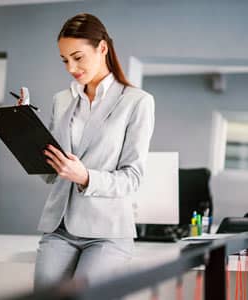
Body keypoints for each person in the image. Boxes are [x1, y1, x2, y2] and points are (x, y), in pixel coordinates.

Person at [32, 13, 155, 291]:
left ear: (102, 48)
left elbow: (132, 177)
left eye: (78, 57)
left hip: (108, 233)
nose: (71, 68)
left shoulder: (137, 102)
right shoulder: (62, 100)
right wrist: (24, 134)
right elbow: (52, 174)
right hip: (59, 229)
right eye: (65, 60)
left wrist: (85, 176)